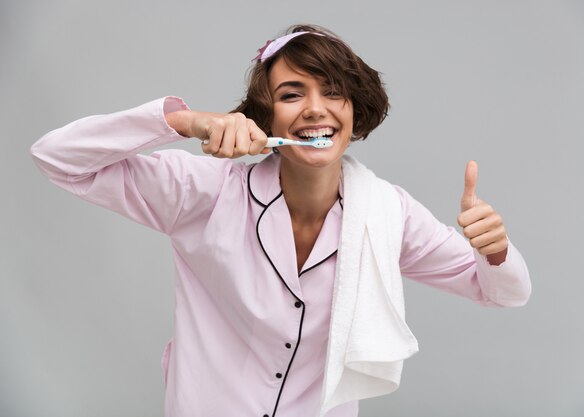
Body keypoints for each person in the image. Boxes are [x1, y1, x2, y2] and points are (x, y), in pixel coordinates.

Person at [31, 24, 531, 417]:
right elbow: (56, 158)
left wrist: (495, 252)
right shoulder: (205, 192)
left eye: (333, 92)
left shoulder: (388, 213)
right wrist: (182, 121)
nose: (316, 109)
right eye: (292, 94)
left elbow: (502, 292)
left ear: (355, 110)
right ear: (267, 117)